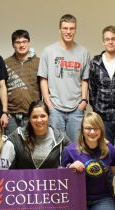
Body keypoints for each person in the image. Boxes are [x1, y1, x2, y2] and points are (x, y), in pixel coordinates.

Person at [8, 100, 71, 210]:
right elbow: (1, 146)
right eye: (34, 117)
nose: (39, 120)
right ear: (29, 119)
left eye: (42, 116)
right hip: (25, 198)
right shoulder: (17, 136)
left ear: (48, 117)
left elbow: (77, 151)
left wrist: (101, 144)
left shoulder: (60, 137)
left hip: (50, 198)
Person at [60, 112, 115, 210]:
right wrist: (69, 167)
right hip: (77, 199)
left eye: (96, 128)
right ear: (82, 130)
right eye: (88, 128)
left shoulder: (109, 149)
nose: (92, 132)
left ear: (101, 130)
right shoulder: (70, 150)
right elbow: (60, 176)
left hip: (102, 198)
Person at [38, 14, 90, 143]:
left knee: (76, 146)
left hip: (76, 109)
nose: (68, 32)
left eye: (72, 28)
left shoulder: (83, 52)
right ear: (60, 29)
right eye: (65, 28)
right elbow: (43, 79)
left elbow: (85, 79)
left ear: (75, 29)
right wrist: (48, 104)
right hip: (55, 108)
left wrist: (83, 101)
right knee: (55, 146)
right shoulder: (48, 51)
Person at [4, 29, 40, 134]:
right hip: (11, 115)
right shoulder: (5, 63)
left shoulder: (39, 62)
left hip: (32, 114)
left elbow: (45, 88)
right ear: (13, 45)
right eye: (18, 42)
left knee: (31, 146)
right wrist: (4, 112)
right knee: (11, 146)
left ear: (29, 43)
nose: (22, 45)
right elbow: (2, 88)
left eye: (24, 42)